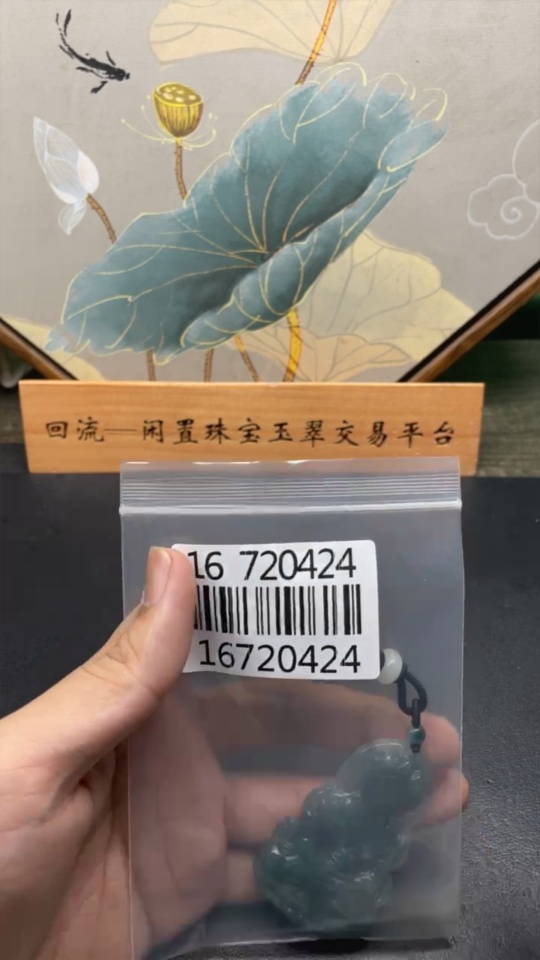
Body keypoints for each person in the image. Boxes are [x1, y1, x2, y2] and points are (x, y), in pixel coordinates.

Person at [0, 548, 468, 960]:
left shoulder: (384, 832)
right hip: (311, 860)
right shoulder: (338, 804)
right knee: (301, 865)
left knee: (353, 889)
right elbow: (315, 830)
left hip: (333, 872)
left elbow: (371, 862)